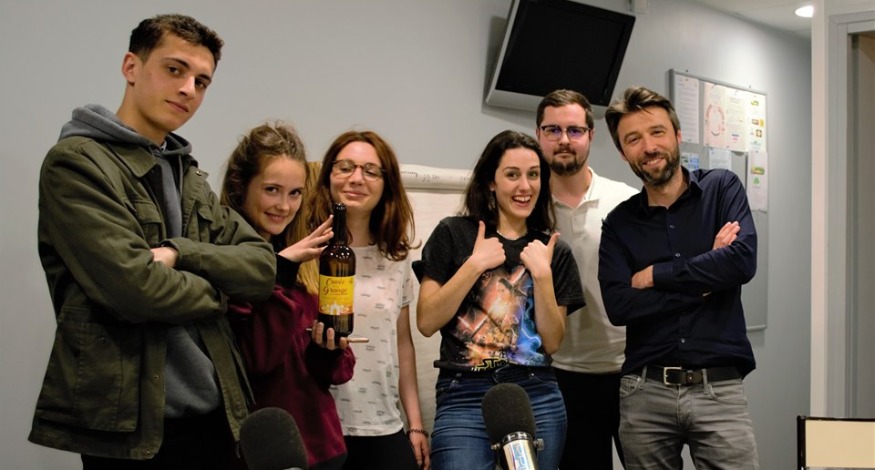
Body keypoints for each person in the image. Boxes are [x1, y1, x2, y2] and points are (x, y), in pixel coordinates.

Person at [28, 14, 276, 469]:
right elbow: (135, 289)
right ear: (131, 66)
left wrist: (182, 253)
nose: (188, 89)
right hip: (134, 428)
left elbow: (262, 268)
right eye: (174, 69)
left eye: (202, 81)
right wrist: (220, 292)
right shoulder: (77, 164)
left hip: (219, 412)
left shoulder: (187, 173)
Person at [599, 85, 759, 469]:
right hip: (645, 392)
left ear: (677, 135)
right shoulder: (620, 223)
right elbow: (620, 306)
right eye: (633, 139)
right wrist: (705, 279)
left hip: (719, 389)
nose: (648, 147)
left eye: (657, 132)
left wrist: (659, 274)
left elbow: (741, 263)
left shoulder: (722, 188)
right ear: (623, 153)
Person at [416, 130, 584, 470]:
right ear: (491, 181)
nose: (525, 186)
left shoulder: (553, 251)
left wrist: (543, 276)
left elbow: (552, 342)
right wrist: (474, 265)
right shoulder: (453, 233)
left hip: (535, 391)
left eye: (533, 175)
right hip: (464, 391)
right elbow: (426, 321)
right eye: (512, 174)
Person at [219, 122, 357, 470]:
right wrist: (279, 269)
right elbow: (259, 359)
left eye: (295, 193)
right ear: (240, 186)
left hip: (323, 447)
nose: (284, 205)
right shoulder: (225, 260)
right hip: (267, 453)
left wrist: (326, 350)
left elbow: (340, 370)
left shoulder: (306, 261)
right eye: (272, 190)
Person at [308, 130, 430, 470]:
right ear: (328, 175)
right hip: (318, 424)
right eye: (345, 167)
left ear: (386, 184)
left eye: (371, 171)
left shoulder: (396, 258)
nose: (357, 178)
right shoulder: (305, 250)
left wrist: (415, 423)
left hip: (382, 424)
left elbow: (402, 344)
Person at [535, 89, 637, 469]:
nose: (564, 139)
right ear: (538, 134)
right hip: (561, 375)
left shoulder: (625, 201)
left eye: (575, 130)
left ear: (591, 136)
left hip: (630, 372)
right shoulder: (528, 209)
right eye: (553, 130)